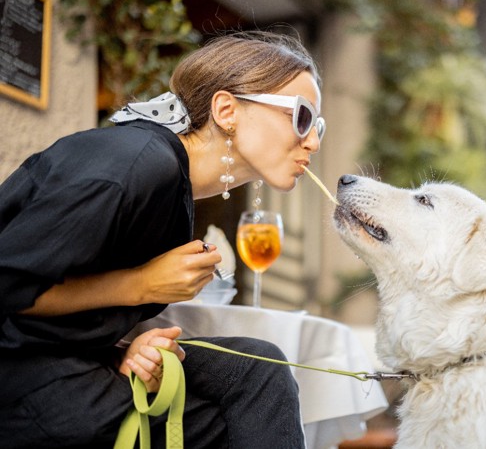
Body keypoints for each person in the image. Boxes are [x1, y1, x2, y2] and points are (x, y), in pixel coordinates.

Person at [0, 31, 325, 448]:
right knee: (222, 425)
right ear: (227, 109)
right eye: (301, 117)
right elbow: (9, 285)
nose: (313, 141)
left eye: (318, 126)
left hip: (68, 354)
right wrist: (141, 285)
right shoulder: (135, 165)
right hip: (21, 376)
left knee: (258, 369)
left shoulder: (170, 182)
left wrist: (126, 350)